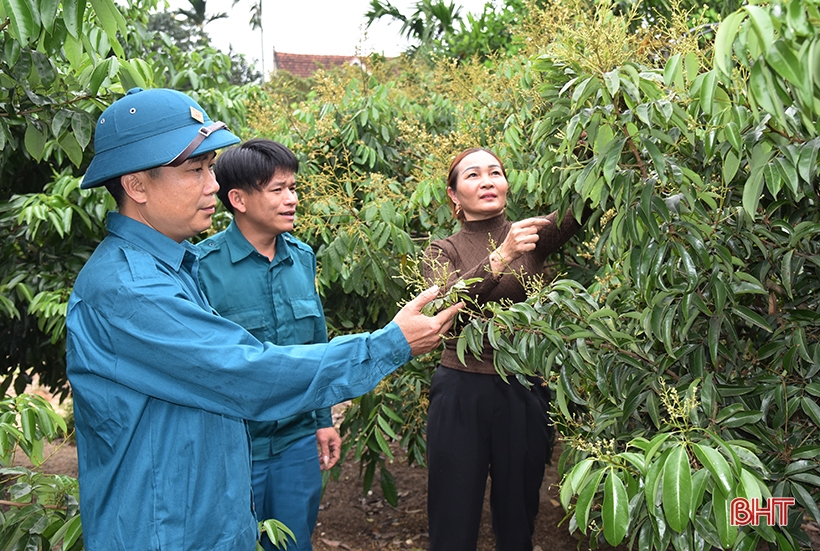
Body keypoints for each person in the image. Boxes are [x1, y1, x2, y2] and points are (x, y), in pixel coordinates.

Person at [66, 87, 462, 551]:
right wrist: (386, 344)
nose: (212, 185)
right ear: (136, 186)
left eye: (210, 168)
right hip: (164, 531)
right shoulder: (129, 289)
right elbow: (246, 372)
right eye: (195, 170)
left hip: (203, 519)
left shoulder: (173, 266)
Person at [422, 147, 588, 551]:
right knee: (452, 513)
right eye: (473, 175)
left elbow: (586, 201)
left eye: (495, 172)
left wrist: (591, 140)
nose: (487, 180)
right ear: (454, 196)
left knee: (518, 513)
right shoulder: (443, 249)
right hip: (460, 390)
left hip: (522, 388)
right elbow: (445, 308)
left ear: (507, 184)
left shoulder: (530, 233)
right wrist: (503, 255)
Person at [196, 139, 336, 551]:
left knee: (294, 542)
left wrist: (323, 419)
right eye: (278, 189)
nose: (291, 199)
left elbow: (316, 344)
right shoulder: (202, 267)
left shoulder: (302, 257)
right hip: (235, 447)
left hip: (296, 442)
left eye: (293, 188)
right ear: (238, 199)